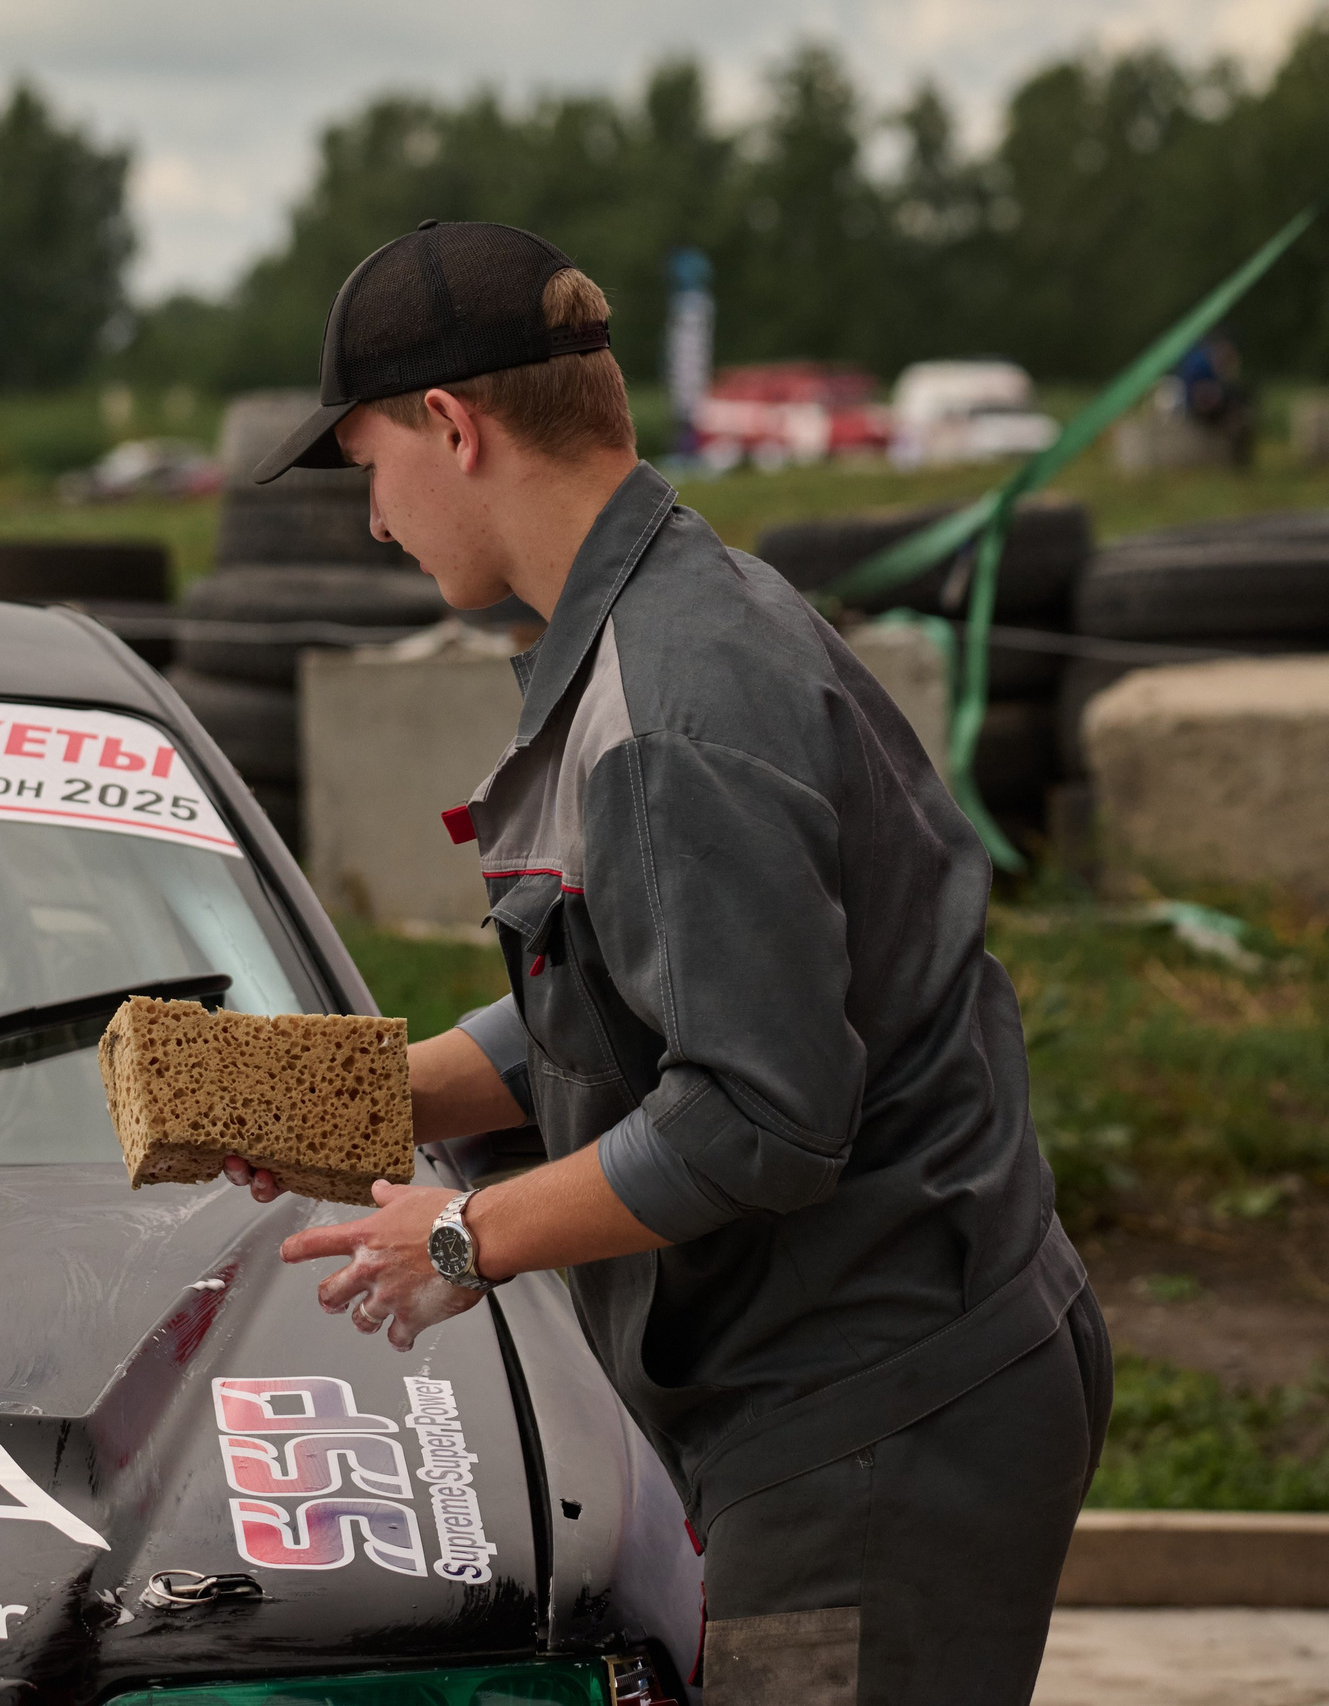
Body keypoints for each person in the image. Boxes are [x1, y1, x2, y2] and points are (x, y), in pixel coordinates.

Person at [225, 221, 1110, 1704]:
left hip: (876, 1415)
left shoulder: (672, 709)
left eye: (369, 464)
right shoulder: (651, 625)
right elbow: (609, 1008)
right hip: (873, 1381)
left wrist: (459, 1238)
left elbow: (756, 1118)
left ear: (454, 427)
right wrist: (348, 1101)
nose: (375, 518)